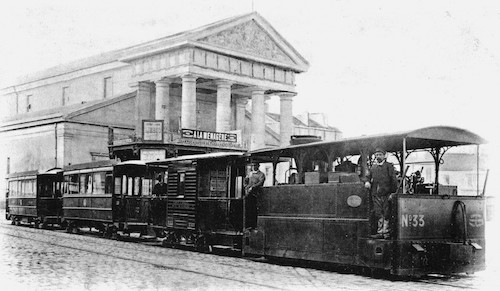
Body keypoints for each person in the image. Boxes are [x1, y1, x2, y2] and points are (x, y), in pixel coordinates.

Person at [365, 148, 398, 239]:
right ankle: (380, 232)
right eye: (377, 155)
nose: (378, 156)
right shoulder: (373, 167)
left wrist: (393, 192)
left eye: (380, 154)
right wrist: (367, 182)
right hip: (376, 194)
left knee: (386, 213)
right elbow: (368, 176)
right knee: (378, 212)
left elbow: (393, 180)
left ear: (384, 156)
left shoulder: (389, 166)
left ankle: (386, 232)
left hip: (386, 194)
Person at [243, 162, 266, 230]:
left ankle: (253, 225)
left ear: (258, 166)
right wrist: (246, 186)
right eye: (252, 165)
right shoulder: (250, 174)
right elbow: (245, 181)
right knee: (248, 209)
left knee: (254, 210)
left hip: (256, 194)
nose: (254, 167)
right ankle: (248, 225)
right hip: (248, 194)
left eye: (255, 165)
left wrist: (253, 187)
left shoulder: (261, 174)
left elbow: (260, 183)